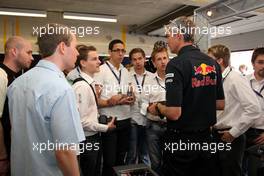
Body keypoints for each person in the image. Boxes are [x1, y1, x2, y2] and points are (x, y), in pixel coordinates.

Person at [7, 24, 85, 176]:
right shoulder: (61, 89)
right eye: (75, 47)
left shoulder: (17, 84)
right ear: (62, 47)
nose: (77, 53)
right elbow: (65, 152)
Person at [155, 16, 225, 176]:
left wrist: (158, 107)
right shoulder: (212, 63)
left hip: (182, 142)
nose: (167, 40)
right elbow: (220, 104)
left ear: (178, 35)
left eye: (168, 36)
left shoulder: (176, 64)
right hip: (207, 140)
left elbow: (174, 113)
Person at [208, 44, 261, 176]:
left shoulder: (235, 79)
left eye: (209, 59)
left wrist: (234, 132)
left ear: (219, 60)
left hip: (230, 137)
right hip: (216, 135)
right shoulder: (218, 78)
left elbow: (254, 108)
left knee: (231, 172)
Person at [72, 45, 116, 176]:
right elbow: (81, 121)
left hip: (92, 137)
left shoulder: (89, 84)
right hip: (87, 140)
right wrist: (105, 127)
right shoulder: (82, 87)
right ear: (83, 63)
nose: (99, 62)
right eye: (94, 59)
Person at [94, 39, 134, 176]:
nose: (121, 53)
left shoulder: (125, 70)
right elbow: (96, 101)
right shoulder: (101, 70)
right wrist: (113, 101)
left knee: (121, 160)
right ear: (110, 52)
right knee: (110, 161)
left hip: (126, 119)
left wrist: (131, 98)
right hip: (110, 120)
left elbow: (130, 92)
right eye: (117, 50)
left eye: (123, 50)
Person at [0, 36, 33, 175]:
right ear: (14, 52)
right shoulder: (1, 76)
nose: (32, 57)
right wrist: (2, 157)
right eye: (29, 52)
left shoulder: (15, 77)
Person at [140, 43, 169, 175]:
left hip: (172, 126)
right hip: (153, 127)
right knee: (155, 163)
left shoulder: (176, 79)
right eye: (159, 59)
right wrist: (148, 108)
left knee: (171, 161)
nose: (163, 62)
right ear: (153, 62)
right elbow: (143, 102)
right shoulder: (149, 80)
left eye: (165, 58)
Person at [126, 48, 152, 166]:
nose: (137, 62)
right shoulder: (126, 76)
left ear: (145, 59)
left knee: (145, 154)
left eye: (140, 58)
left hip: (148, 119)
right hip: (133, 118)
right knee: (131, 154)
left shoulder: (152, 77)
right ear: (131, 61)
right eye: (134, 59)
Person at [244, 47, 264, 176]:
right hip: (242, 132)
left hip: (261, 136)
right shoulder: (242, 82)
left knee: (255, 171)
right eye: (260, 62)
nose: (263, 65)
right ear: (253, 63)